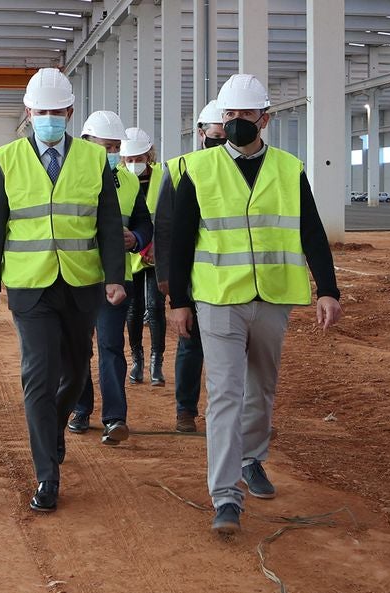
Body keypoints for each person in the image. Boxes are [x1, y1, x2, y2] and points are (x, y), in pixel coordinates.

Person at [165, 74, 342, 534]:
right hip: (218, 297)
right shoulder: (197, 170)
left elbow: (311, 233)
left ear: (265, 118)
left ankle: (251, 458)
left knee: (260, 388)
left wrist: (328, 288)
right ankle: (225, 496)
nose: (236, 122)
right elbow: (180, 241)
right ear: (221, 119)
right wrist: (179, 300)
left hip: (274, 296)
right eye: (230, 115)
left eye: (245, 115)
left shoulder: (289, 168)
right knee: (225, 393)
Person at [0, 68, 126, 512]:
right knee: (38, 376)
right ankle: (47, 474)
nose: (48, 118)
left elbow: (107, 223)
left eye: (56, 111)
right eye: (40, 111)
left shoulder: (93, 159)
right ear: (29, 113)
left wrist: (115, 276)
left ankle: (53, 428)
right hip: (30, 287)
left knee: (77, 371)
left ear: (69, 112)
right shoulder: (6, 159)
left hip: (82, 284)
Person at [68, 112, 154, 446]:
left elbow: (144, 222)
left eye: (117, 147)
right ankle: (80, 407)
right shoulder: (68, 177)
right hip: (75, 275)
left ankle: (115, 418)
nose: (114, 154)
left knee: (110, 346)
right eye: (108, 147)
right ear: (87, 143)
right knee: (77, 347)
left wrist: (136, 237)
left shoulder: (128, 182)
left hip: (116, 278)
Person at [153, 99, 226, 433]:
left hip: (233, 277)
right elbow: (165, 227)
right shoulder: (180, 167)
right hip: (194, 275)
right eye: (218, 132)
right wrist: (168, 277)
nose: (225, 138)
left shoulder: (242, 169)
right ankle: (186, 410)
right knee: (191, 343)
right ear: (201, 133)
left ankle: (226, 413)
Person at [121, 128, 164, 387]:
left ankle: (156, 363)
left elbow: (169, 217)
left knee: (156, 307)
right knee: (134, 308)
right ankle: (136, 359)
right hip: (132, 253)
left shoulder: (164, 177)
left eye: (139, 158)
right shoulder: (121, 181)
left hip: (158, 253)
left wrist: (155, 243)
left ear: (149, 155)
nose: (134, 164)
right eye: (129, 159)